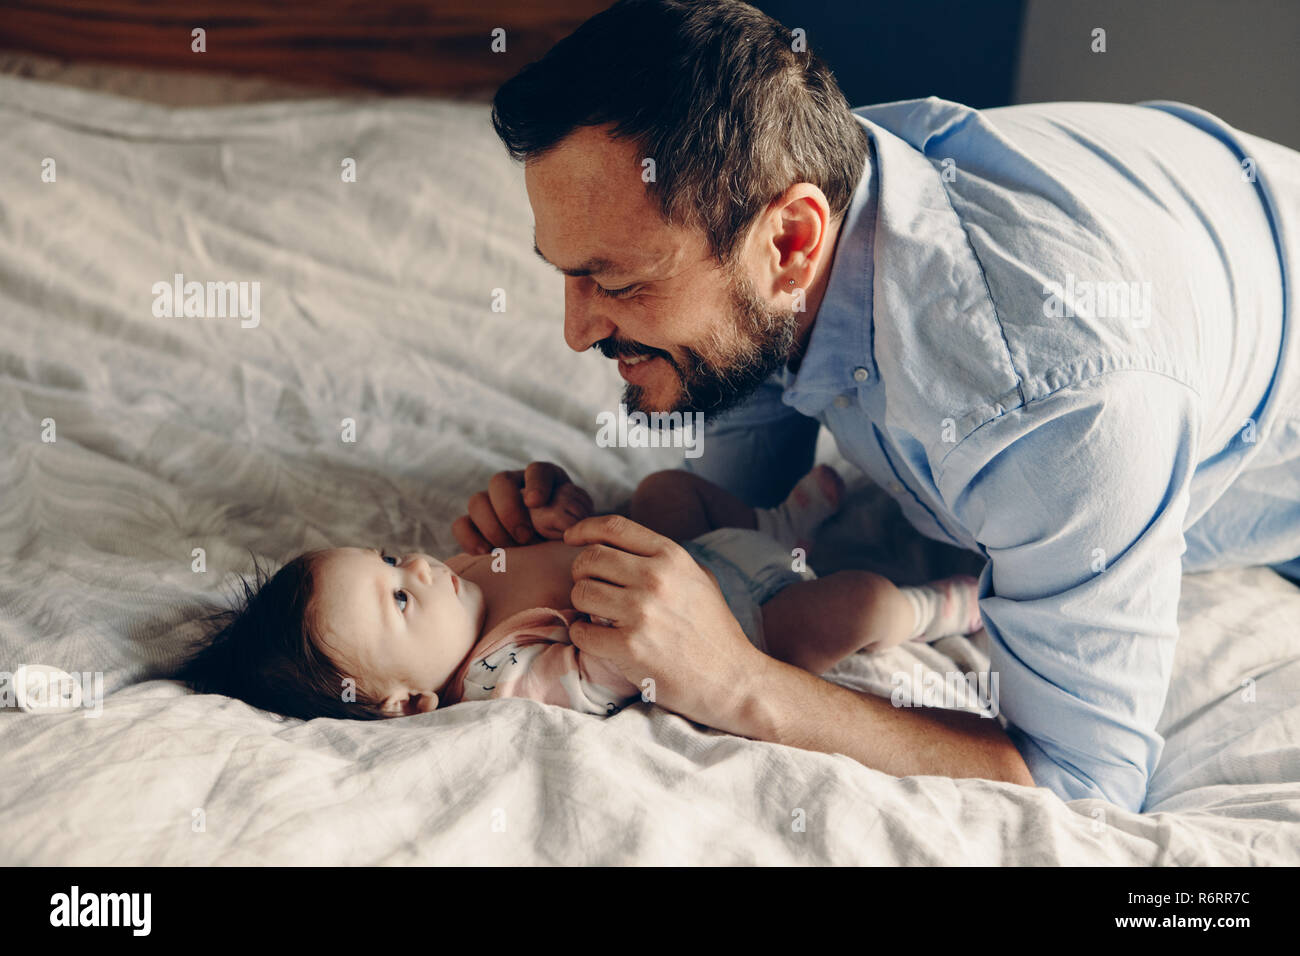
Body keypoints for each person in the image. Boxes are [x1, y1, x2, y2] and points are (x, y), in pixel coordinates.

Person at [455, 0, 1300, 811]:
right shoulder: (796, 192)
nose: (576, 332)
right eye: (565, 271)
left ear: (791, 243)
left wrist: (740, 685)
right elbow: (735, 501)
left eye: (619, 280)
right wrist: (573, 549)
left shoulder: (1054, 406)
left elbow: (1080, 783)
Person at [177, 466, 983, 721]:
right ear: (410, 703)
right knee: (856, 606)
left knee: (664, 489)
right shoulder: (503, 676)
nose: (418, 569)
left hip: (699, 551)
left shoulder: (458, 580)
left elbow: (556, 544)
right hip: (750, 620)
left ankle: (774, 520)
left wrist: (565, 519)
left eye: (391, 559)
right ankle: (945, 606)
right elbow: (608, 670)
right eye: (398, 600)